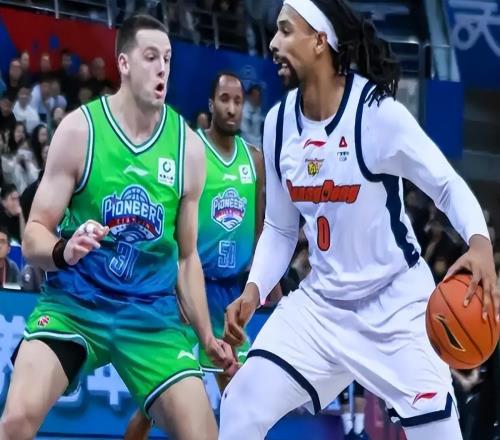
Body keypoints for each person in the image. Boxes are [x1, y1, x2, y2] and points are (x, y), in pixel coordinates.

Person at [219, 1, 498, 440]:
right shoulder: (278, 125)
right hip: (322, 306)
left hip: (395, 304)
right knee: (240, 404)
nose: (273, 43)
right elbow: (281, 228)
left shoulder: (376, 114)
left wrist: (479, 242)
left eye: (286, 30)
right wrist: (254, 290)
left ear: (319, 40)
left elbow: (445, 184)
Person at [0, 14, 235, 440]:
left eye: (167, 58)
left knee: (204, 436)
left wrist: (206, 335)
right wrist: (64, 250)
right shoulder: (80, 130)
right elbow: (33, 234)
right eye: (151, 57)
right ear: (123, 63)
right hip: (75, 305)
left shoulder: (187, 148)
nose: (162, 68)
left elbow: (186, 259)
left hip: (150, 316)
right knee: (15, 421)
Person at [124, 71, 267, 440]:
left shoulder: (254, 160)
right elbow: (169, 220)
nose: (232, 108)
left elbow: (260, 226)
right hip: (189, 291)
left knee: (241, 397)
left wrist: (266, 278)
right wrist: (172, 281)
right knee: (154, 403)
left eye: (238, 101)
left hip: (231, 297)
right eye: (224, 99)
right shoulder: (191, 151)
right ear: (211, 104)